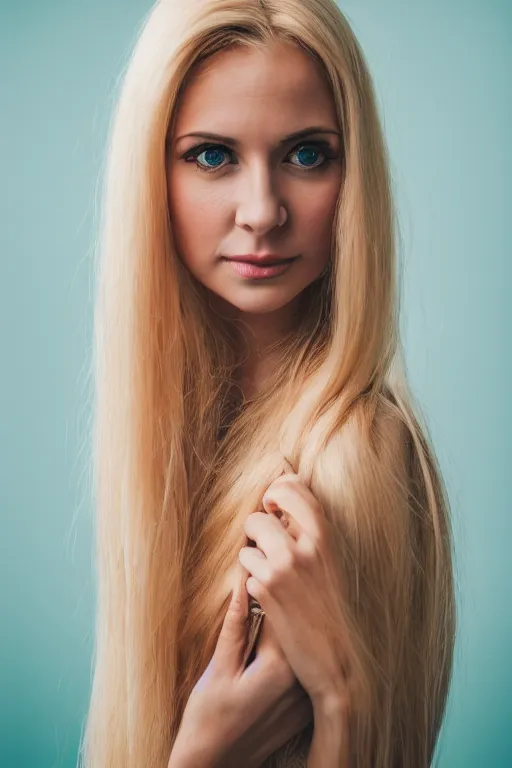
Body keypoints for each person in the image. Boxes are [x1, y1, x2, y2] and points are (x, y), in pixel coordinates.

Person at [80, 1, 456, 766]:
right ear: (152, 174)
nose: (262, 211)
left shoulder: (347, 461)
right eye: (213, 156)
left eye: (308, 155)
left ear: (357, 173)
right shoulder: (178, 434)